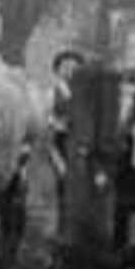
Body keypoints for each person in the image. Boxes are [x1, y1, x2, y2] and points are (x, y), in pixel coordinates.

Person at [49, 48, 85, 183]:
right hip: (56, 137)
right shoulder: (51, 91)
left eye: (74, 68)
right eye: (65, 67)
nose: (70, 71)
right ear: (57, 70)